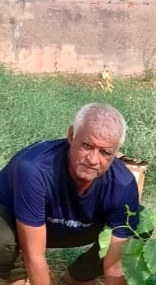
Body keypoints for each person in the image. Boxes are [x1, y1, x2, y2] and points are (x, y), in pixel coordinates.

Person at [0, 103, 140, 285]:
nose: (93, 160)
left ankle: (79, 276)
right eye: (87, 146)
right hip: (18, 223)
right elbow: (34, 254)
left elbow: (115, 266)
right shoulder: (34, 168)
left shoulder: (123, 184)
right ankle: (17, 275)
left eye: (105, 152)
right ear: (71, 136)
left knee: (137, 224)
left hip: (72, 226)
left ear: (115, 153)